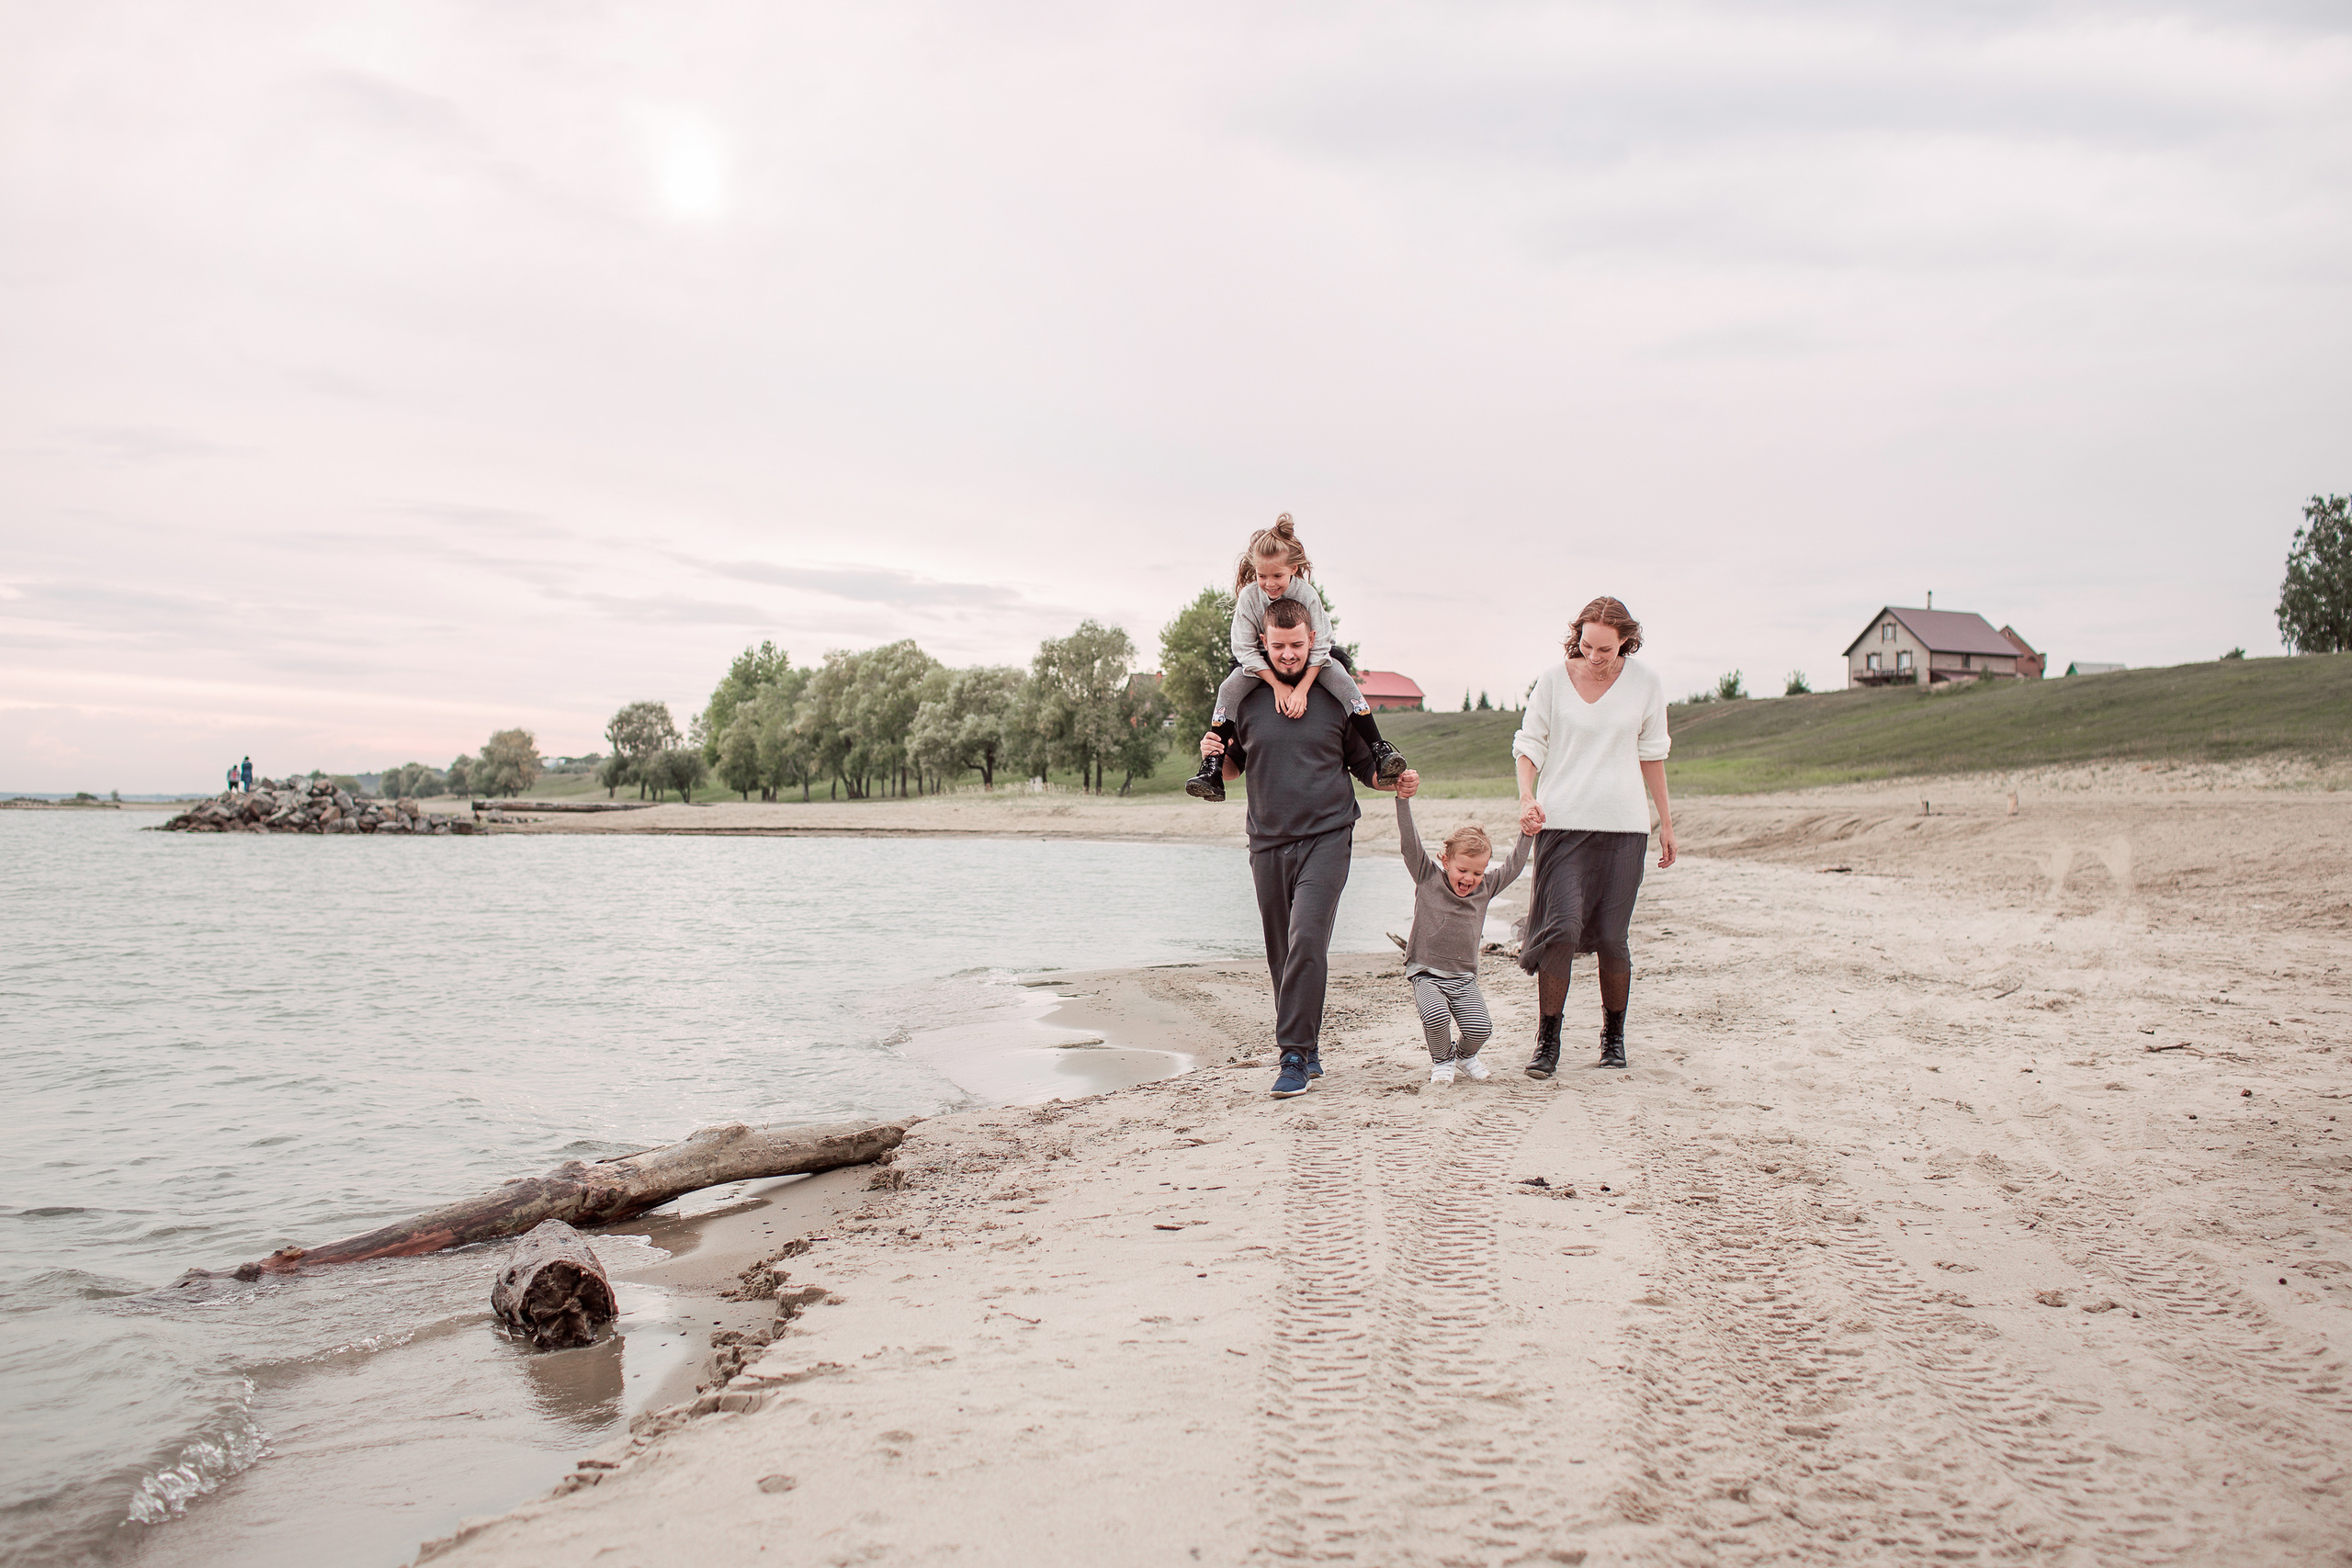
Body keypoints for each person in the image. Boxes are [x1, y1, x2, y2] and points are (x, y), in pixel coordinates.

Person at [1200, 596, 1409, 1098]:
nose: (1288, 654)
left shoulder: (1335, 694)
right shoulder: (1245, 695)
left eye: (1296, 645)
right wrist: (1212, 752)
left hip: (1328, 835)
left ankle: (1292, 1056)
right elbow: (1232, 769)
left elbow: (1364, 764)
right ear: (1262, 643)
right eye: (1278, 646)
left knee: (1308, 939)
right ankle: (1307, 1044)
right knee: (1282, 951)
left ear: (1312, 639)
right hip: (1267, 840)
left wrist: (1394, 781)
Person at [1511, 595, 1677, 1076]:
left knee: (1611, 936)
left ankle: (1613, 1037)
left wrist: (1666, 822)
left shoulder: (1646, 683)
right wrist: (1526, 797)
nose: (1595, 656)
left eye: (1606, 649)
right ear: (1577, 636)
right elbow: (1529, 744)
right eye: (1587, 646)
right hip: (1562, 824)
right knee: (1560, 930)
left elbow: (1652, 755)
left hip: (1624, 828)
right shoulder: (1553, 679)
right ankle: (1547, 1041)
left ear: (1626, 641)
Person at [1187, 514, 1407, 801]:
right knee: (1228, 688)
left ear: (1292, 568)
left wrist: (1302, 689)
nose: (1269, 584)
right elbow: (1243, 649)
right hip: (1261, 660)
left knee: (1344, 680)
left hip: (1312, 658)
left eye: (1277, 576)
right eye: (1262, 576)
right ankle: (1213, 766)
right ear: (1254, 570)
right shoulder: (1249, 598)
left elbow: (1322, 643)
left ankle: (1379, 748)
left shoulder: (1307, 593)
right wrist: (1277, 685)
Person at [1392, 775, 1532, 1086]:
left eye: (1478, 872)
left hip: (1464, 977)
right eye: (1463, 870)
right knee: (1436, 1016)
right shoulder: (1427, 877)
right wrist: (1402, 801)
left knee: (1481, 1028)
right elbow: (1409, 843)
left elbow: (1513, 866)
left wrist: (1527, 834)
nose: (1469, 878)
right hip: (1426, 972)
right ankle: (1442, 1060)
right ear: (1445, 861)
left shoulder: (1486, 888)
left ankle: (1464, 1056)